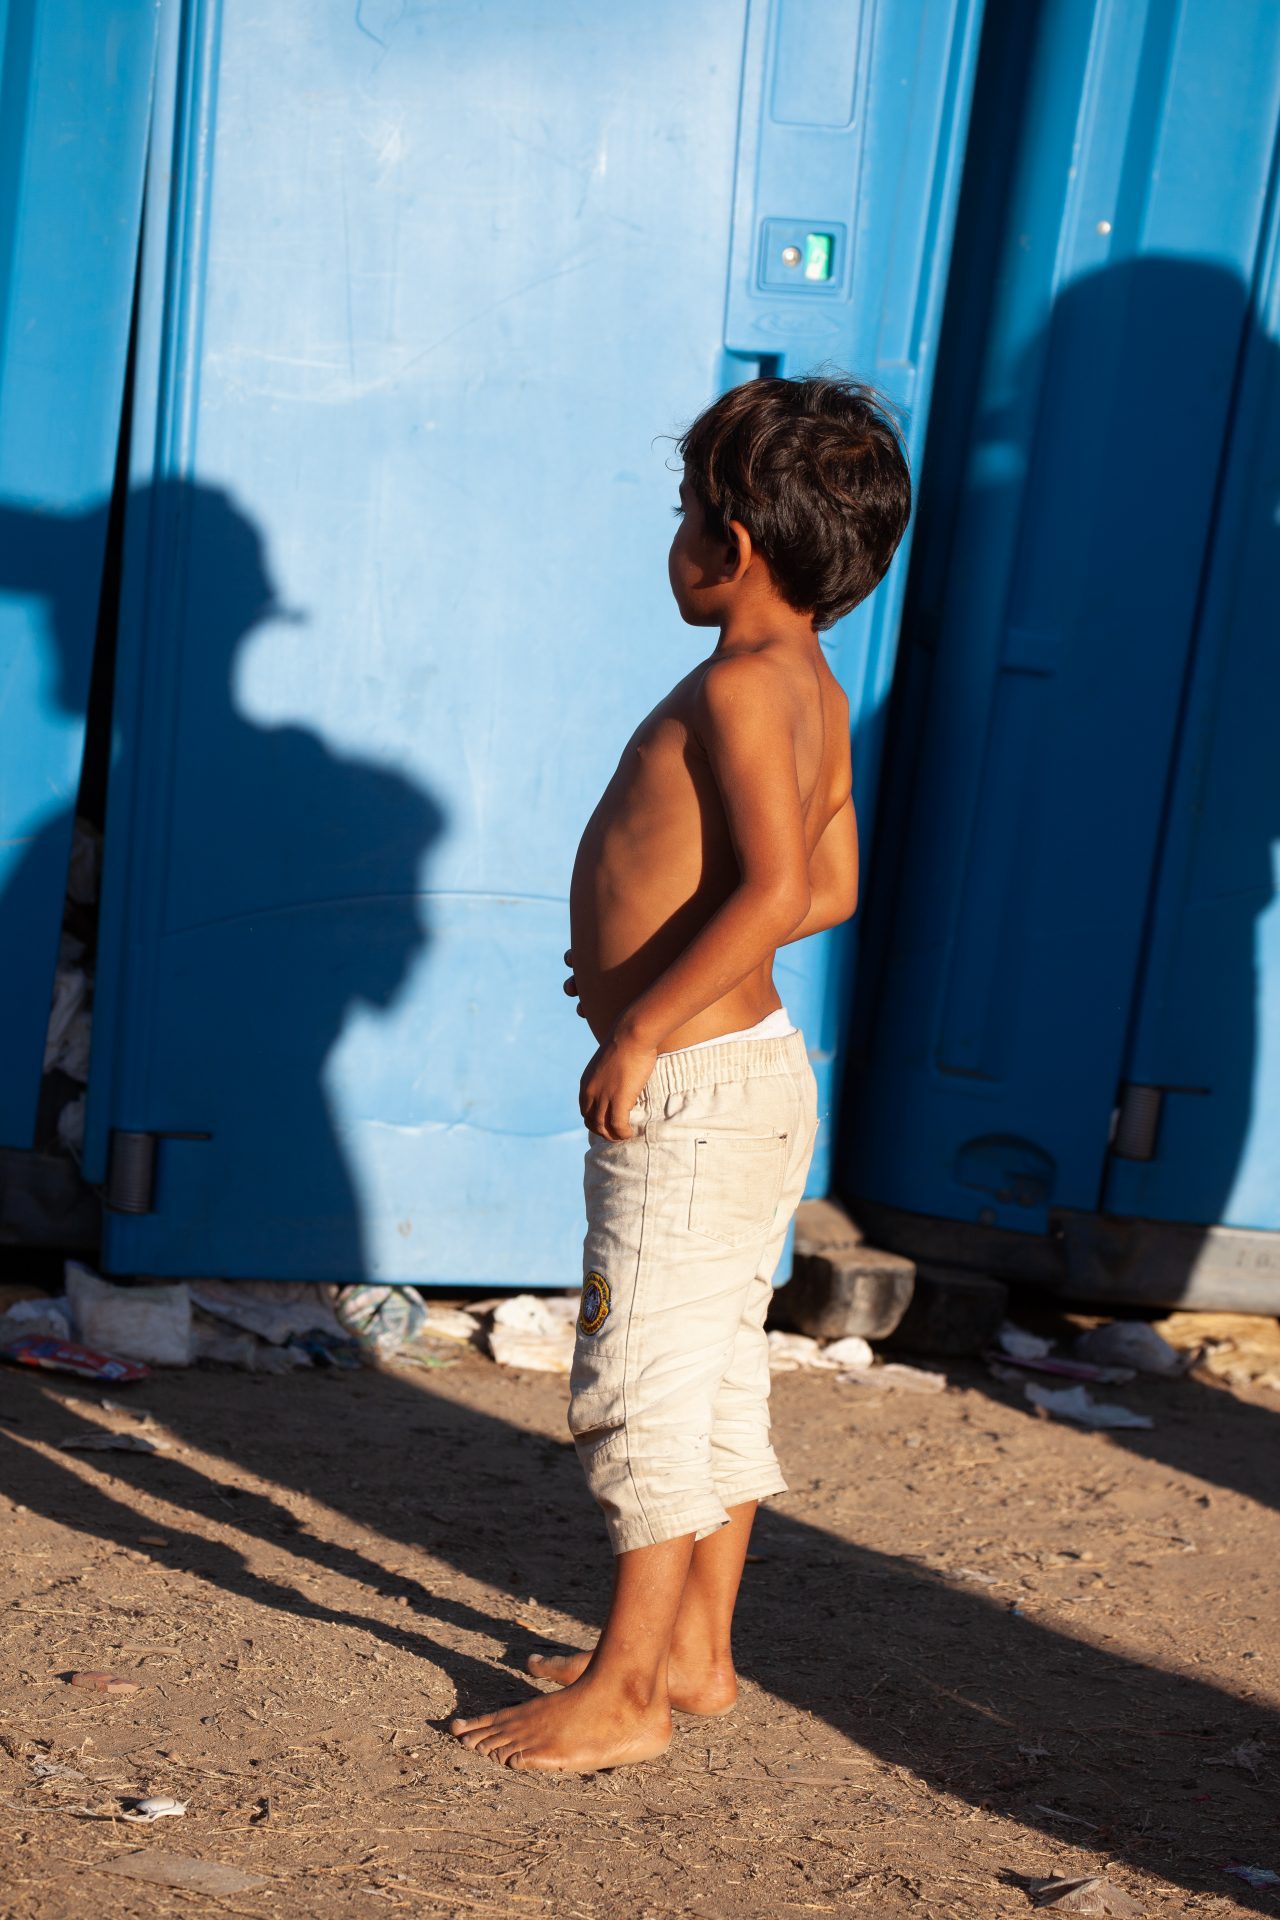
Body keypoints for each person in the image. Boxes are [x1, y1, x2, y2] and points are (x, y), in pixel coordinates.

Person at [451, 374, 911, 1770]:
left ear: (734, 540)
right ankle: (697, 1654)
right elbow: (826, 888)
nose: (674, 541)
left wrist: (643, 1023)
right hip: (754, 1075)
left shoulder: (738, 687)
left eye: (681, 514)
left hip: (695, 1089)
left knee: (642, 1380)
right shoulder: (812, 687)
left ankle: (629, 1691)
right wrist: (656, 976)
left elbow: (776, 884)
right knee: (712, 1375)